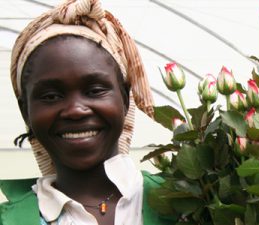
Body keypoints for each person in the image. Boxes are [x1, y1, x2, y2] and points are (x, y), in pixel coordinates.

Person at [0, 0, 174, 224]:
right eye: (51, 96)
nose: (75, 110)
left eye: (94, 90)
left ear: (124, 99)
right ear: (26, 112)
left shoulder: (194, 202)